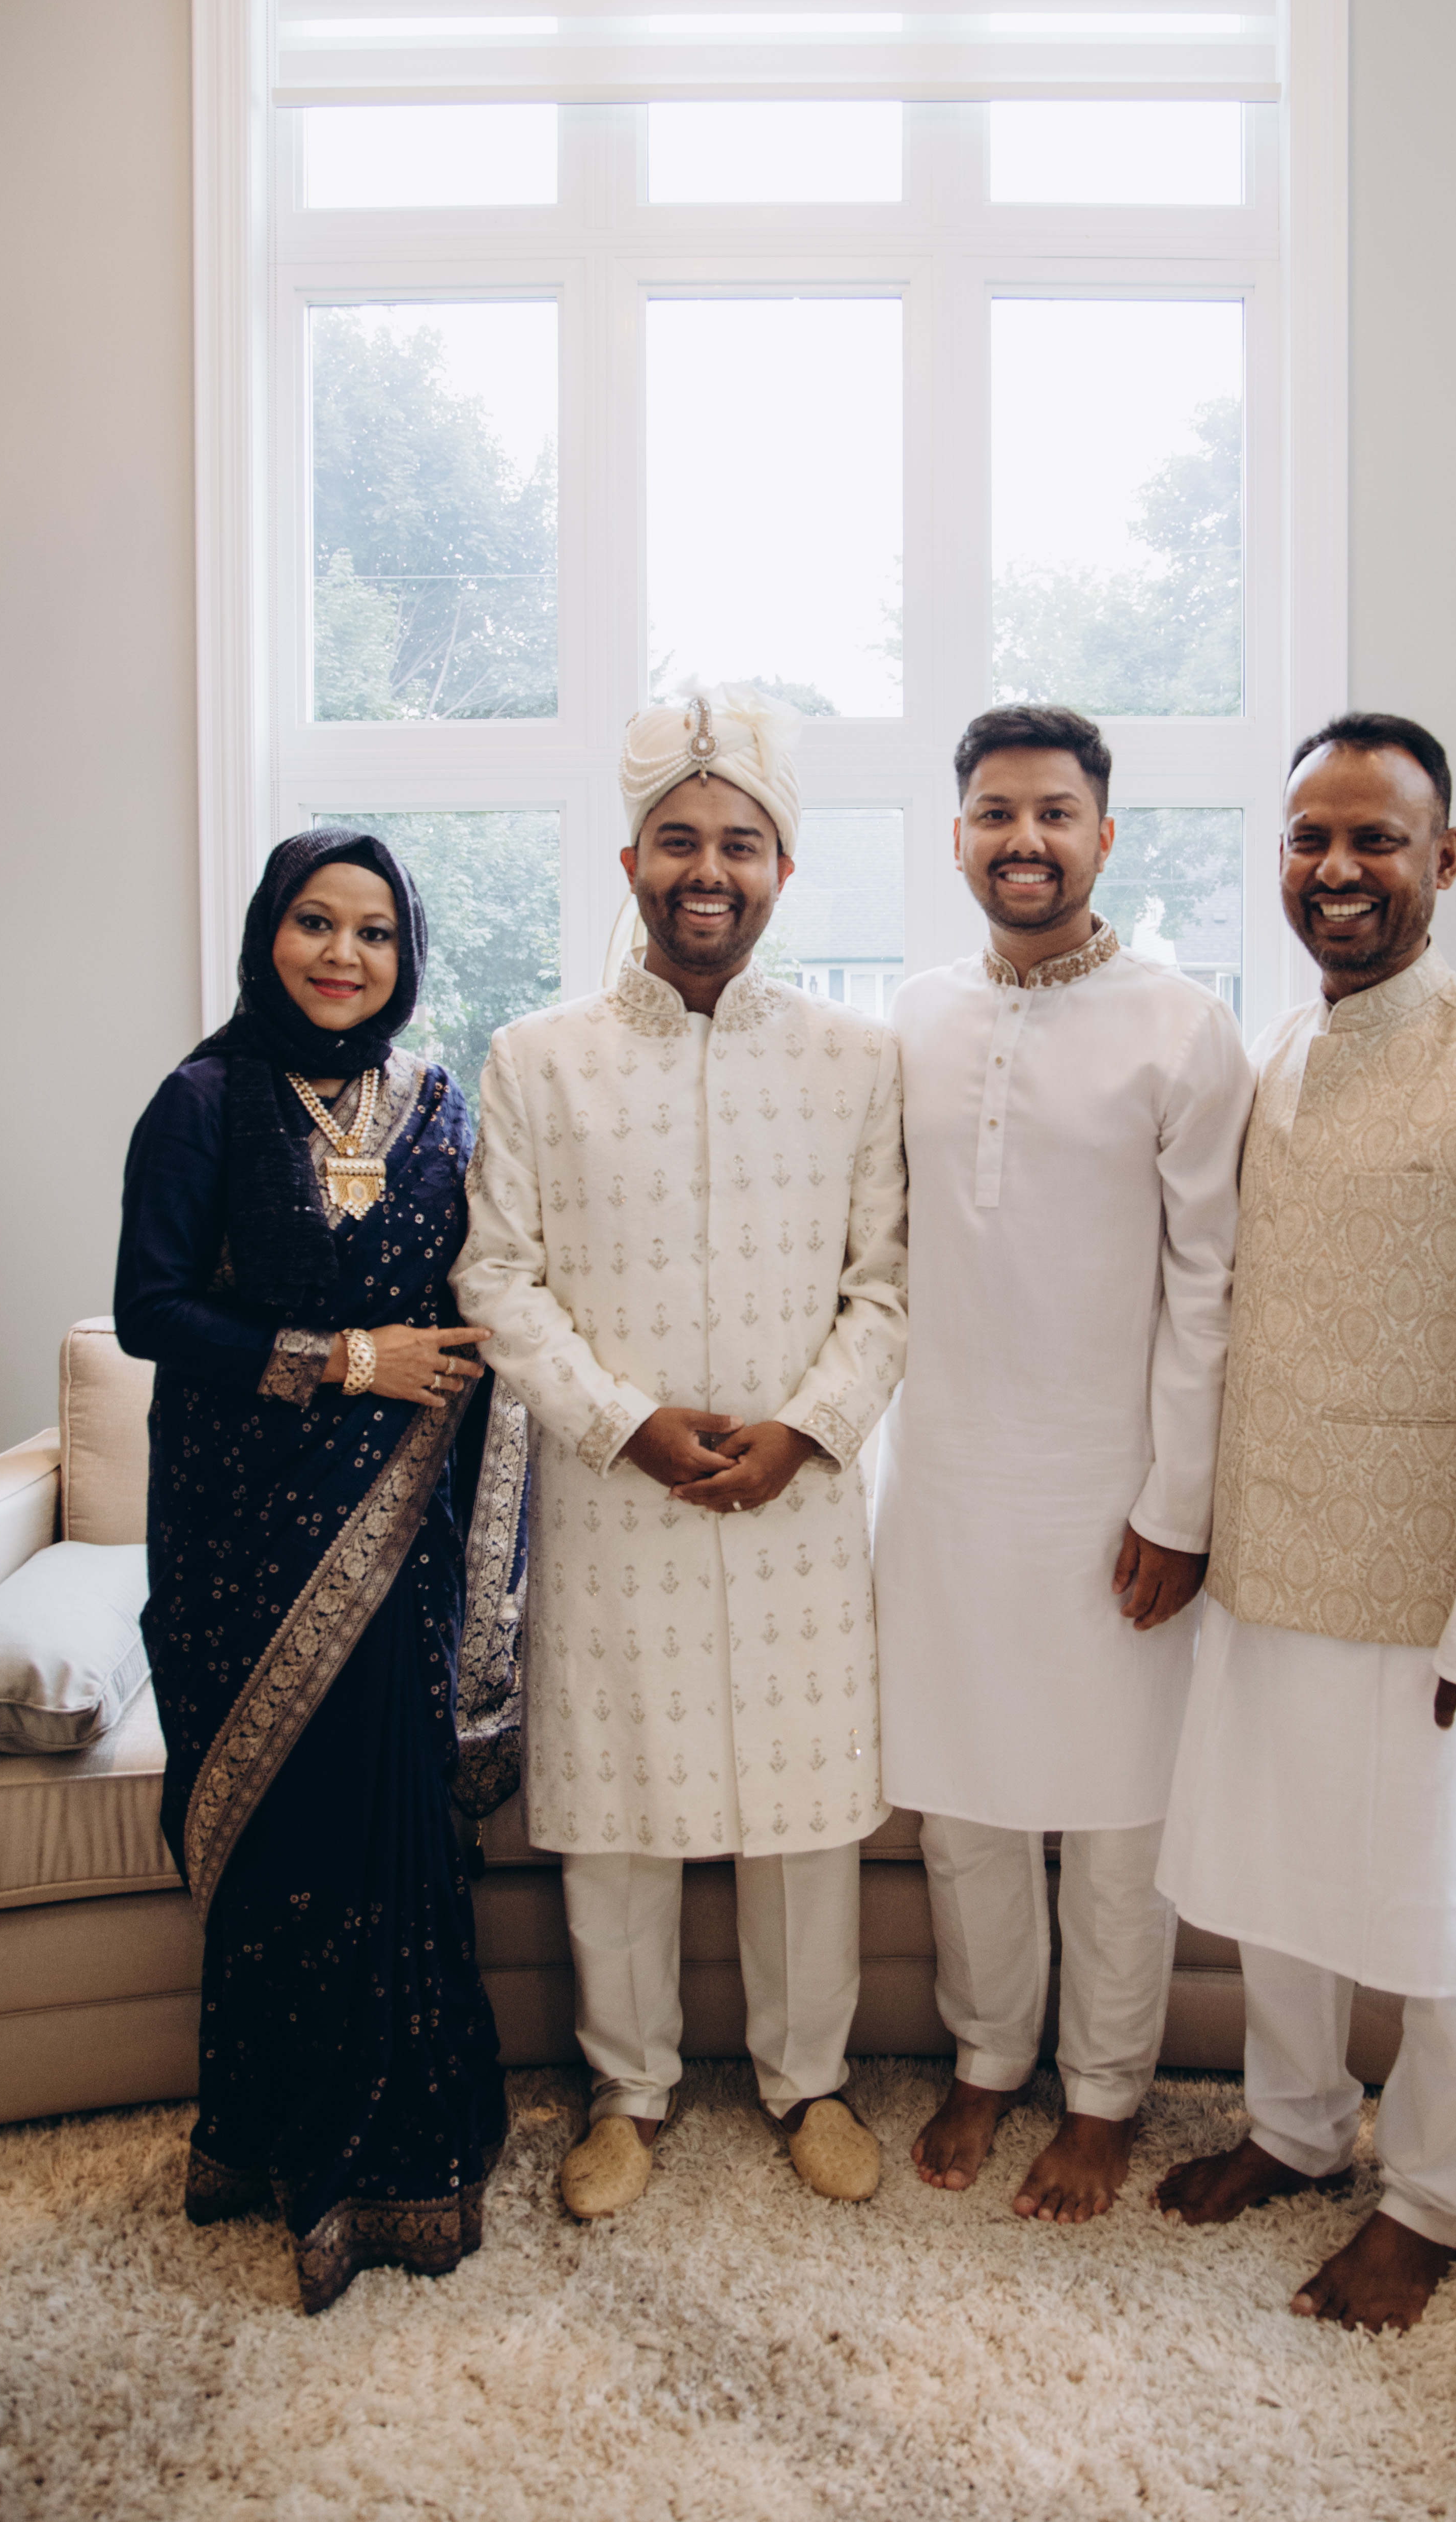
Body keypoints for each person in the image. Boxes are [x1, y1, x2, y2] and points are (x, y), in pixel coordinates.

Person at [1154, 713, 1456, 2331]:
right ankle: (1293, 2128)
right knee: (1279, 1874)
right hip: (1276, 1554)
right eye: (1310, 838)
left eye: (1375, 839)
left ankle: (1428, 2199)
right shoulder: (1279, 1049)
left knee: (1445, 1906)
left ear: (1445, 858)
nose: (1337, 869)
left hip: (1437, 1583)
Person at [453, 683, 909, 2221]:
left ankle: (810, 2079)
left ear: (783, 869)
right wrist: (623, 1423)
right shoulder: (539, 1059)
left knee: (805, 1811)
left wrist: (808, 1430)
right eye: (678, 841)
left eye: (741, 845)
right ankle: (628, 2090)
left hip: (797, 1495)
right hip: (616, 1497)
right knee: (620, 1805)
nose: (708, 871)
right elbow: (498, 1279)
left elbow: (886, 1284)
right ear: (631, 862)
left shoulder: (855, 1060)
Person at [115, 830, 513, 2315]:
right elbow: (150, 1310)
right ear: (266, 936)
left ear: (406, 956)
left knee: (387, 1829)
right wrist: (349, 1361)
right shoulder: (203, 1099)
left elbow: (481, 1294)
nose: (345, 954)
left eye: (375, 932)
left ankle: (409, 2152)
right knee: (285, 1844)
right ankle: (282, 2143)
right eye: (314, 922)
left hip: (399, 1532)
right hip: (239, 1531)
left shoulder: (441, 1105)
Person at [872, 704, 1253, 2221]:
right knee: (964, 1805)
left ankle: (1103, 2095)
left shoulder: (1183, 1025)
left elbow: (1212, 1286)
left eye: (1052, 813)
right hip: (946, 1479)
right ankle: (986, 2056)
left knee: (1114, 1812)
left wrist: (1181, 1503)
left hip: (1116, 1488)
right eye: (994, 813)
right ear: (958, 833)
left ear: (1104, 833)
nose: (1022, 839)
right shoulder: (909, 1018)